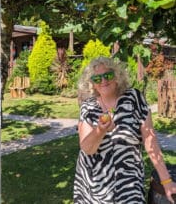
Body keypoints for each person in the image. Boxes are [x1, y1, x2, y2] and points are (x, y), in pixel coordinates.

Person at [73, 57, 176, 203]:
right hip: (94, 186)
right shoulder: (88, 107)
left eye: (108, 75)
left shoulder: (134, 98)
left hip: (129, 182)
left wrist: (166, 181)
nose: (103, 81)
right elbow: (87, 148)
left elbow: (150, 140)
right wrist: (100, 131)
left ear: (117, 77)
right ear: (93, 84)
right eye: (97, 78)